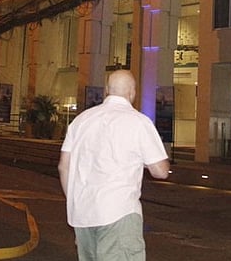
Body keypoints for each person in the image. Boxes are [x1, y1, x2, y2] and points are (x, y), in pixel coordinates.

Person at [58, 70, 170, 261]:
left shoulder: (81, 121)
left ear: (107, 91)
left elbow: (63, 167)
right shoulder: (138, 122)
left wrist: (77, 204)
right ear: (132, 92)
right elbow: (160, 171)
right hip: (119, 213)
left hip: (83, 215)